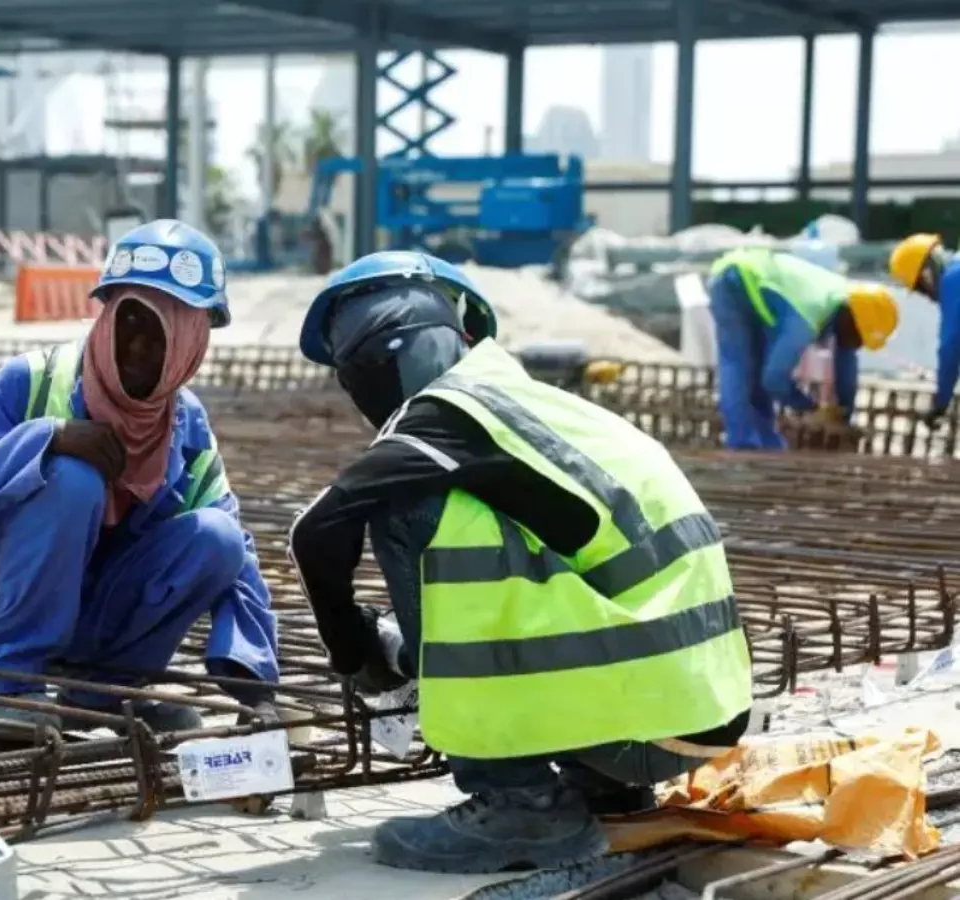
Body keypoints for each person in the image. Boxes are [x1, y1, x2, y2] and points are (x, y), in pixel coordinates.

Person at [290, 250, 753, 874]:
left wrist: (356, 656)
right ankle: (603, 793)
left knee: (407, 512)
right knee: (492, 532)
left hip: (650, 724)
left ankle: (520, 801)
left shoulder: (454, 413)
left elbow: (316, 531)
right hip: (697, 712)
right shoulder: (535, 409)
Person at [0, 219, 279, 735]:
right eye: (129, 321)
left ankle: (102, 694)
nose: (137, 348)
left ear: (192, 345)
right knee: (72, 479)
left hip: (87, 617)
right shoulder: (32, 382)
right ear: (105, 315)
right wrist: (46, 438)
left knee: (217, 540)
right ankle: (8, 691)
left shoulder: (185, 424)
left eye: (161, 334)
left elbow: (234, 555)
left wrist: (256, 690)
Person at [705, 246, 897, 450]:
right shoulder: (805, 320)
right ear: (852, 321)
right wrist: (810, 407)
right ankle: (742, 442)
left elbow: (846, 363)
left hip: (760, 286)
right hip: (735, 279)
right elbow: (774, 380)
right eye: (857, 339)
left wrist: (843, 413)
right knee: (739, 363)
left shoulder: (844, 303)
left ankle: (766, 442)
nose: (853, 344)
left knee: (759, 365)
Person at [889, 233, 960, 428]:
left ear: (927, 275)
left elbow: (950, 348)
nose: (928, 297)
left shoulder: (953, 281)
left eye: (921, 289)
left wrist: (940, 402)